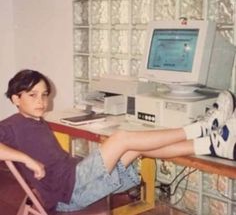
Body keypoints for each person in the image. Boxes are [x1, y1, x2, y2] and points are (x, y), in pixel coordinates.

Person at [0, 69, 236, 212]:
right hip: (68, 192)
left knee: (135, 146)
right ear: (15, 99)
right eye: (32, 95)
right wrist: (26, 160)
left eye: (44, 95)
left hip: (73, 181)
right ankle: (200, 128)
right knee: (122, 138)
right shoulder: (12, 125)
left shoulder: (35, 121)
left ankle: (211, 144)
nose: (41, 101)